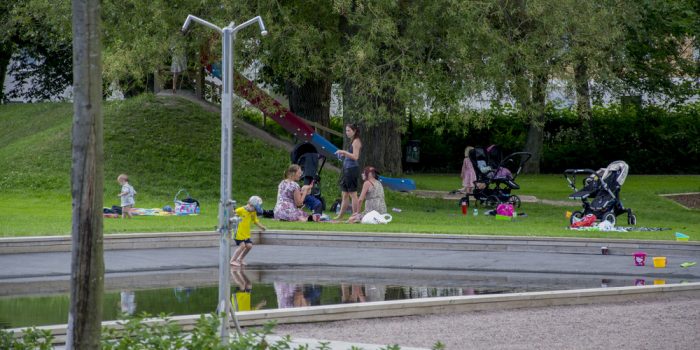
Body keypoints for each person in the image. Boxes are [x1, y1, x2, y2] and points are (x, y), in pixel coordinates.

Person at [333, 124, 362, 220]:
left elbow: (355, 156)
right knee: (344, 194)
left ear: (354, 131)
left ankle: (355, 216)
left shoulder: (356, 142)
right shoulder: (352, 141)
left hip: (351, 170)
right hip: (346, 169)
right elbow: (350, 156)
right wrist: (343, 155)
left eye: (349, 130)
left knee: (353, 194)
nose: (347, 132)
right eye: (346, 130)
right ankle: (340, 216)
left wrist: (344, 152)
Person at [230, 196, 266, 267]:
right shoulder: (241, 210)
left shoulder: (253, 212)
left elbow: (255, 221)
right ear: (249, 204)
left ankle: (240, 259)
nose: (254, 210)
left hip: (245, 233)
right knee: (242, 246)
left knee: (249, 246)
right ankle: (232, 260)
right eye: (254, 208)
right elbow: (232, 215)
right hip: (238, 232)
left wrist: (261, 227)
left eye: (255, 209)